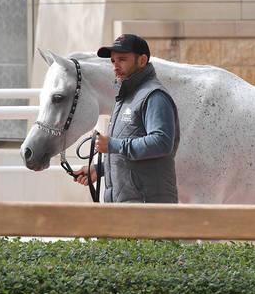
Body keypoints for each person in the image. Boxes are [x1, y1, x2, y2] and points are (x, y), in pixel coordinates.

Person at [73, 33, 180, 203]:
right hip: (129, 205)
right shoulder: (126, 97)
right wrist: (100, 169)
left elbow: (162, 142)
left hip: (148, 206)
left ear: (142, 60)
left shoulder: (154, 96)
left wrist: (112, 145)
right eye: (113, 61)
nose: (116, 66)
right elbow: (129, 155)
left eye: (122, 59)